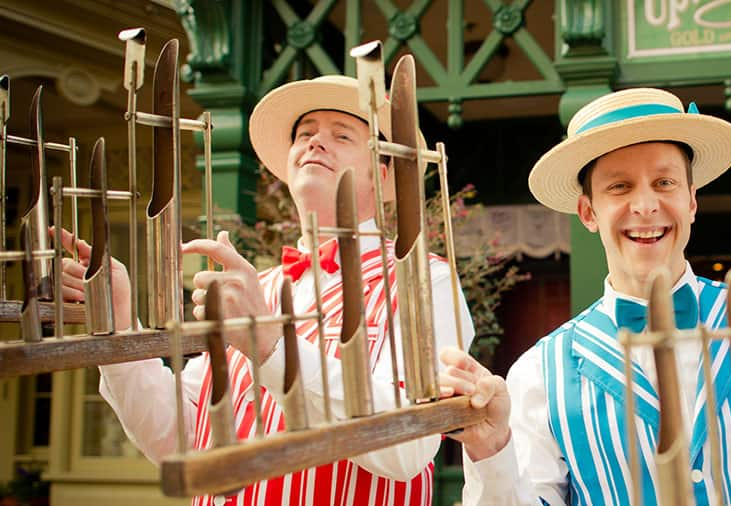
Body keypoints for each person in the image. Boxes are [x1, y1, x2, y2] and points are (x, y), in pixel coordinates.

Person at [60, 75, 475, 506]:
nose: (316, 142)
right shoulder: (259, 287)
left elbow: (407, 449)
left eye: (341, 134)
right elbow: (179, 439)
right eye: (305, 133)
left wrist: (271, 345)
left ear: (382, 173)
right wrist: (121, 328)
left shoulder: (424, 280)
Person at [438, 87, 731, 505]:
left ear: (691, 201)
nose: (644, 205)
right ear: (588, 212)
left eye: (664, 182)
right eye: (620, 187)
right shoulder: (539, 375)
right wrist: (491, 450)